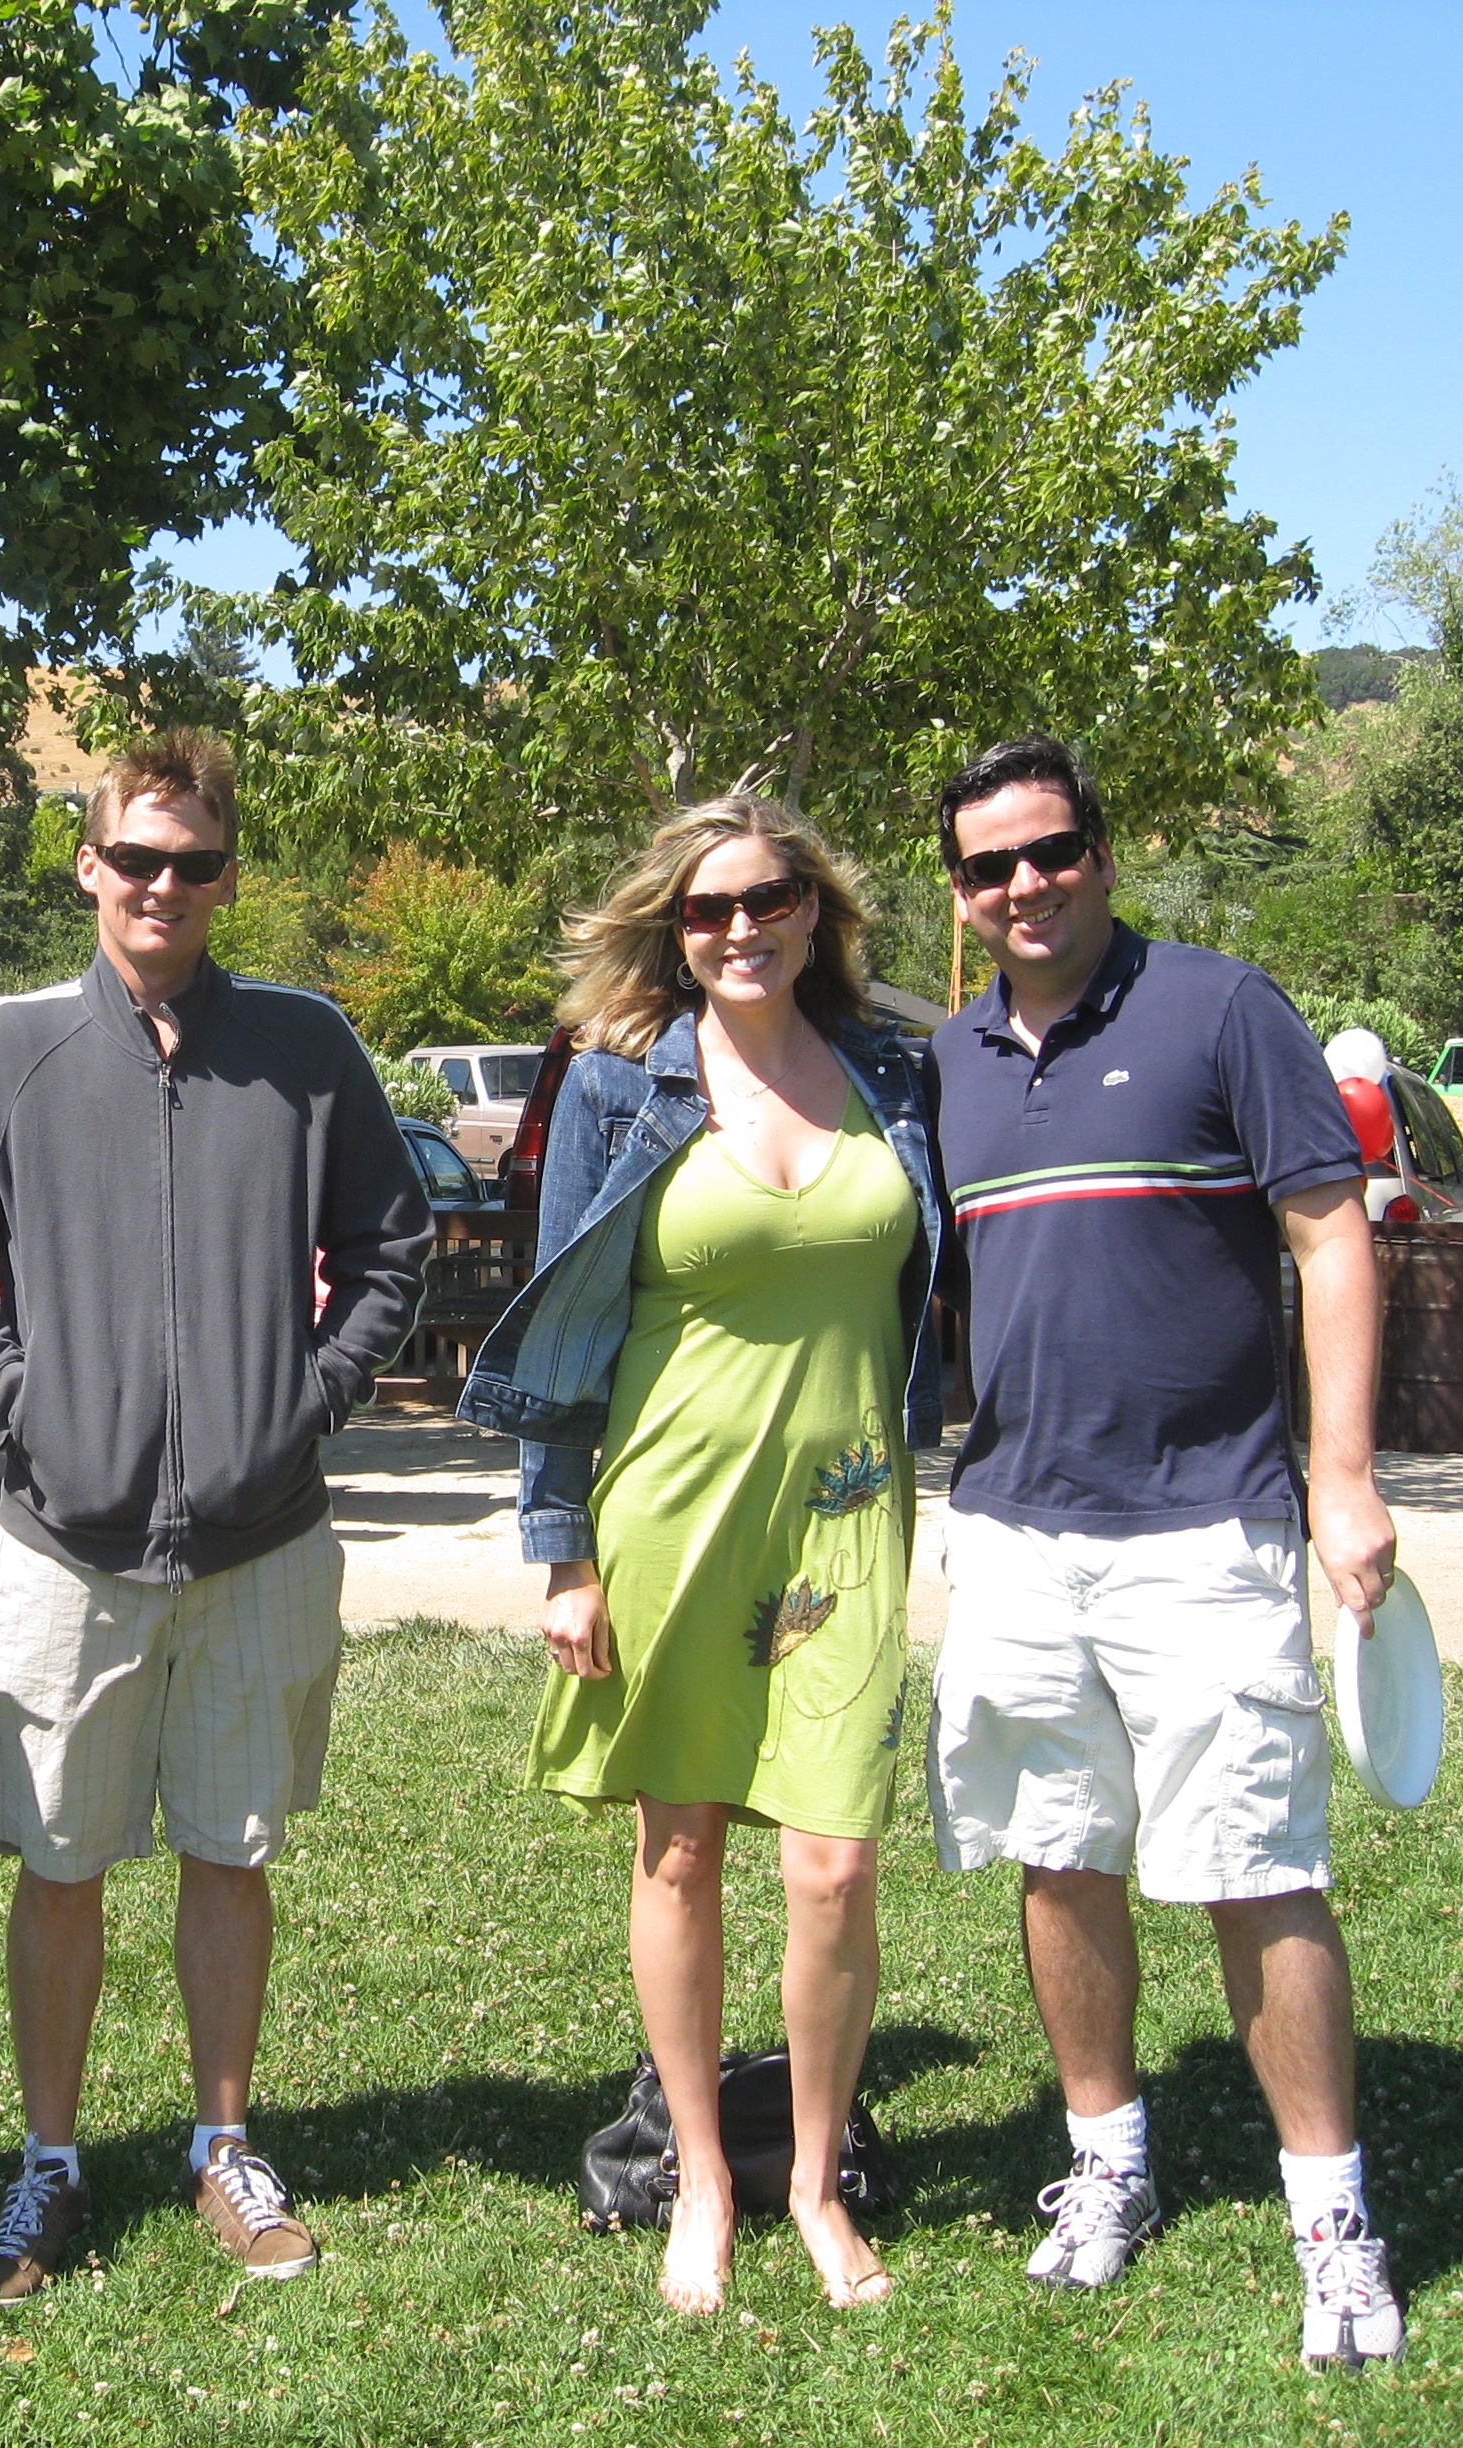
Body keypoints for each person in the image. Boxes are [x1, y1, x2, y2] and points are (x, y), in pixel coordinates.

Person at [0, 729, 431, 2301]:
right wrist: (25, 1406)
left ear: (227, 879)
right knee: (60, 1859)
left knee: (229, 1847)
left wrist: (305, 1400)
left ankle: (222, 2144)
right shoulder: (7, 1047)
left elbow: (392, 1248)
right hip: (67, 1540)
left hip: (265, 1538)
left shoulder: (307, 1046)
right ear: (88, 865)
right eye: (136, 857)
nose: (163, 886)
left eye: (194, 863)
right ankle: (48, 2160)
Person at [922, 737, 1405, 2367]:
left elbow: (1328, 1236)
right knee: (1057, 1850)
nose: (1023, 885)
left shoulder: (1220, 1008)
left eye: (1048, 850)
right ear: (957, 893)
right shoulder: (948, 1061)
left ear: (1101, 851)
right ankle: (1105, 2163)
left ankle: (1330, 2222)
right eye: (988, 866)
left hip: (1205, 1524)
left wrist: (1341, 1475)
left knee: (1257, 1866)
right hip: (1010, 1530)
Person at [453, 797, 945, 2316]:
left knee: (835, 1862)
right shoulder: (621, 1084)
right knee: (681, 1848)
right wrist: (564, 1555)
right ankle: (705, 2181)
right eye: (708, 907)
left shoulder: (896, 1074)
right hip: (670, 1512)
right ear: (675, 929)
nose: (741, 928)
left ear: (815, 912)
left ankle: (815, 2183)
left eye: (769, 898)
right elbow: (560, 1330)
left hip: (848, 1514)